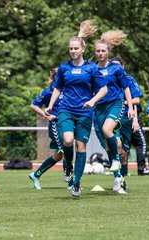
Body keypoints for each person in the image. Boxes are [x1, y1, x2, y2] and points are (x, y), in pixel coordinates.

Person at [44, 20, 108, 197]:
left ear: (83, 49)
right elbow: (57, 88)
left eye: (75, 48)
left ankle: (77, 183)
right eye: (70, 48)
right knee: (67, 141)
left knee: (81, 147)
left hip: (85, 113)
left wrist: (92, 101)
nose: (73, 51)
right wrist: (50, 106)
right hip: (66, 110)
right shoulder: (64, 67)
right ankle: (68, 167)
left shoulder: (91, 68)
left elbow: (104, 89)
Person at [93, 31, 134, 194]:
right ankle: (118, 177)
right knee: (111, 146)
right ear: (95, 52)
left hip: (115, 104)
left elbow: (126, 88)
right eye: (98, 51)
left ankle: (116, 162)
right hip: (99, 108)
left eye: (103, 51)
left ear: (108, 51)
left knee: (107, 130)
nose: (101, 53)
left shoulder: (116, 68)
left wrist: (130, 107)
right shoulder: (92, 69)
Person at [29, 68, 73, 190]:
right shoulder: (48, 92)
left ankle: (35, 175)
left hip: (66, 124)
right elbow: (33, 105)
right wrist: (47, 115)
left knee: (58, 156)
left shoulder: (67, 90)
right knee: (65, 149)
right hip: (55, 124)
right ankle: (71, 182)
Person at [111, 57, 149, 177]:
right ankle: (119, 175)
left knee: (124, 151)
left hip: (127, 119)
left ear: (123, 66)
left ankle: (125, 175)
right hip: (112, 118)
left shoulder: (129, 80)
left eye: (118, 65)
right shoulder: (108, 80)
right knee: (116, 146)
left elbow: (136, 100)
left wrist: (124, 103)